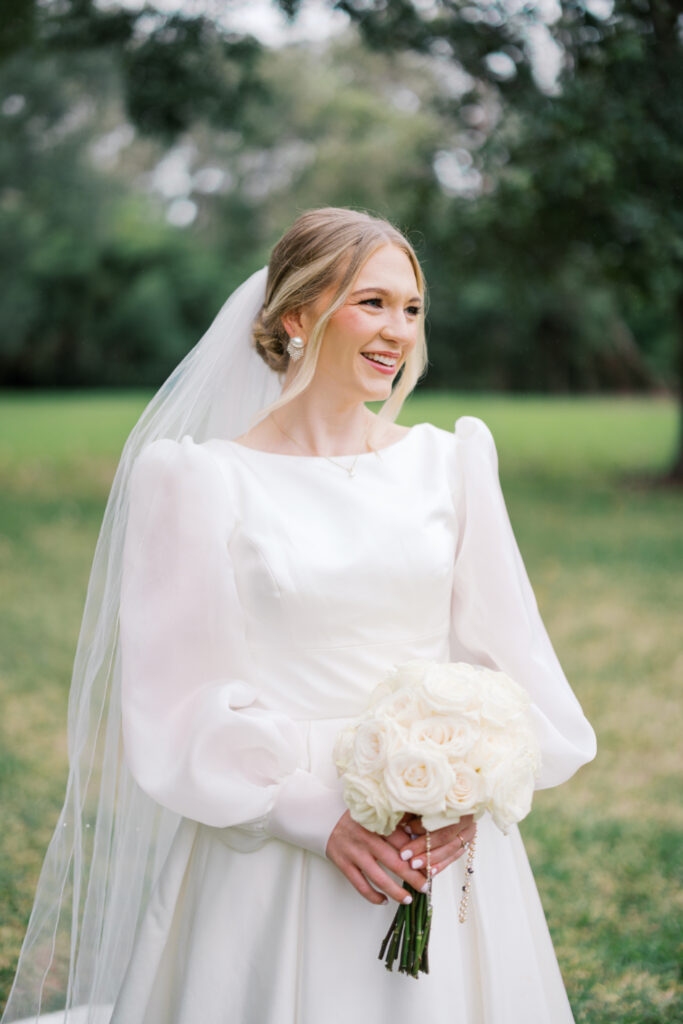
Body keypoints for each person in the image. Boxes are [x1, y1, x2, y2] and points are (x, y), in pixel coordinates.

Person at [2, 207, 596, 1024]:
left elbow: (508, 652)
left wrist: (469, 787)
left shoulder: (449, 462)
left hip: (439, 832)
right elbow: (176, 694)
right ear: (296, 315)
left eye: (412, 308)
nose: (399, 331)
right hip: (276, 832)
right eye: (372, 303)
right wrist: (313, 819)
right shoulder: (198, 481)